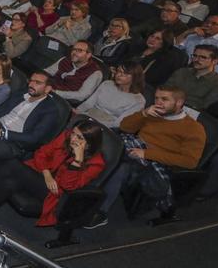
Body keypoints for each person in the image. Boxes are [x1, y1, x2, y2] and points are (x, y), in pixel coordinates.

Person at [87, 86, 206, 229]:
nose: (158, 102)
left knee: (121, 167)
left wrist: (147, 154)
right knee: (99, 142)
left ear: (179, 102)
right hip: (134, 147)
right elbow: (125, 127)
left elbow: (190, 161)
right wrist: (143, 114)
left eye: (164, 99)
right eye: (156, 98)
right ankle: (82, 188)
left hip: (154, 162)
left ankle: (101, 212)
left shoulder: (194, 129)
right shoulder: (152, 113)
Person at [0, 120, 106, 229]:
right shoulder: (66, 137)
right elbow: (41, 153)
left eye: (79, 137)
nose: (73, 138)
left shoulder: (96, 163)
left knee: (14, 165)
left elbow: (69, 186)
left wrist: (77, 161)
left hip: (54, 192)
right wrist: (46, 173)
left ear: (90, 143)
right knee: (10, 182)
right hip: (38, 174)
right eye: (74, 133)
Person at [75, 62, 146, 128]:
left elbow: (118, 124)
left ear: (135, 77)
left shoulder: (138, 101)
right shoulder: (107, 84)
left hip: (105, 126)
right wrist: (77, 111)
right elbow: (89, 103)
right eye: (118, 71)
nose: (119, 75)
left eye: (125, 73)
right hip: (88, 115)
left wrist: (92, 122)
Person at [165, 45, 218, 115]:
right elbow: (164, 91)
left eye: (203, 57)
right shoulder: (181, 72)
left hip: (190, 117)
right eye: (195, 56)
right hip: (165, 108)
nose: (196, 60)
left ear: (214, 61)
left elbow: (205, 111)